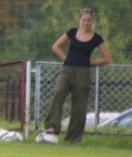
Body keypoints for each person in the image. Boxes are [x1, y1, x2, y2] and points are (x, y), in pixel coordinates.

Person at [44, 8, 111, 143]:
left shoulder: (97, 38)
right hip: (67, 69)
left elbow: (107, 59)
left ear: (93, 21)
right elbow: (56, 46)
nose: (86, 23)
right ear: (80, 20)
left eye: (89, 20)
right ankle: (52, 126)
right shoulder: (72, 32)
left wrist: (91, 63)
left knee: (79, 105)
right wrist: (66, 59)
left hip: (83, 72)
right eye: (84, 20)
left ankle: (72, 139)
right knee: (59, 92)